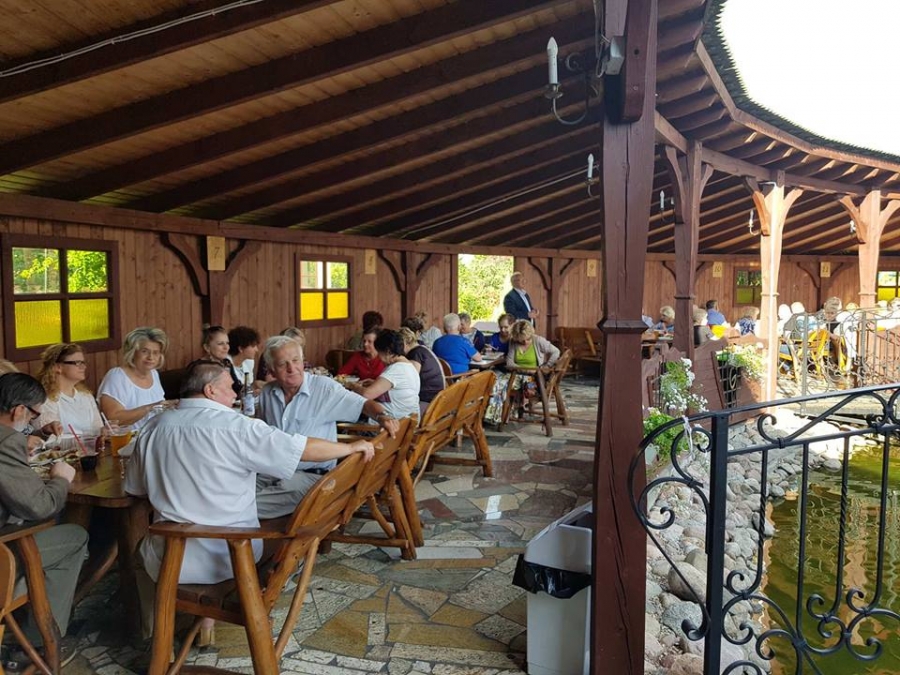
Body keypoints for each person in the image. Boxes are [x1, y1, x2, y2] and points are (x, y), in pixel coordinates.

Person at [124, 361, 375, 586]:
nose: (235, 394)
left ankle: (166, 617)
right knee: (286, 530)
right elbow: (300, 449)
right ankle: (212, 614)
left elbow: (135, 489)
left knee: (143, 552)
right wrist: (350, 448)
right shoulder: (237, 427)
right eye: (230, 387)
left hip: (166, 559)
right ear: (210, 390)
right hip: (231, 556)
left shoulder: (152, 428)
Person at [255, 336, 398, 516]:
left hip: (312, 477)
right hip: (272, 471)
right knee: (233, 494)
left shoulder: (324, 389)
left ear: (303, 362)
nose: (292, 368)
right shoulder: (267, 393)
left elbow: (363, 404)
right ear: (271, 370)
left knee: (245, 507)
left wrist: (382, 416)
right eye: (283, 364)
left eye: (296, 361)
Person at [0, 373, 88, 665]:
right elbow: (40, 506)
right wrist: (61, 479)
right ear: (19, 411)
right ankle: (39, 642)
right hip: (3, 553)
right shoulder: (6, 440)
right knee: (74, 537)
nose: (32, 423)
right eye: (34, 415)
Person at [98, 327, 173, 431]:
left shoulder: (153, 373)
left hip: (155, 435)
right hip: (128, 439)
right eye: (144, 351)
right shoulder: (117, 376)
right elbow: (113, 419)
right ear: (133, 352)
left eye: (156, 352)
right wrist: (150, 408)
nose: (150, 357)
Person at [350, 330, 420, 421]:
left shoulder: (395, 369)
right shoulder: (408, 365)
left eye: (379, 353)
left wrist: (353, 386)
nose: (379, 357)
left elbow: (367, 394)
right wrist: (375, 383)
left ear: (388, 352)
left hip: (392, 423)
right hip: (406, 419)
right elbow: (397, 389)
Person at [35, 343, 103, 437]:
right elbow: (51, 438)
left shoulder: (86, 396)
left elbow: (98, 428)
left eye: (83, 362)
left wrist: (104, 432)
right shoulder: (45, 399)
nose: (83, 367)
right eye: (77, 363)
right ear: (58, 367)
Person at [399, 328, 444, 416]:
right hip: (438, 395)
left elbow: (411, 380)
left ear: (404, 343)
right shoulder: (423, 349)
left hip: (429, 400)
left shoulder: (415, 354)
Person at [190, 325, 242, 395]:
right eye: (220, 344)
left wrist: (249, 389)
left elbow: (236, 387)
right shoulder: (197, 367)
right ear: (207, 347)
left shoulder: (227, 363)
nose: (226, 347)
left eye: (227, 343)